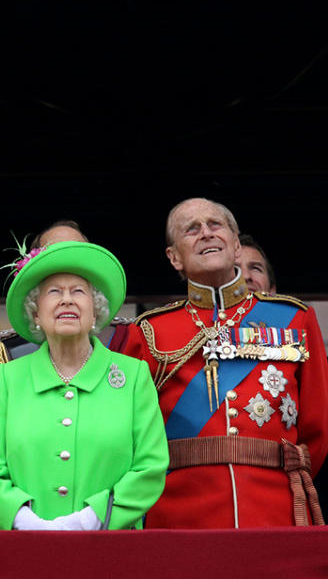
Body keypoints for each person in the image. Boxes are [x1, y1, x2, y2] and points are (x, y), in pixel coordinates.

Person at [123, 197, 328, 527]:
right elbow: (131, 437)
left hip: (272, 510)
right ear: (174, 258)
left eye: (215, 225)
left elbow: (317, 430)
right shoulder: (147, 331)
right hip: (178, 515)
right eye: (191, 229)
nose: (206, 233)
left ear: (235, 246)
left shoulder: (295, 320)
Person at [0, 220, 133, 530]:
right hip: (24, 539)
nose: (66, 297)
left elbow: (147, 463)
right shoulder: (8, 358)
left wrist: (96, 517)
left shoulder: (128, 350)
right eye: (53, 256)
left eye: (78, 288)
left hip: (109, 538)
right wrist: (13, 520)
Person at [0, 241, 168, 530]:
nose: (67, 300)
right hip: (26, 550)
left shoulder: (133, 376)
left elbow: (150, 468)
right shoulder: (10, 379)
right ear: (36, 314)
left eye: (78, 291)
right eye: (54, 292)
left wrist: (90, 519)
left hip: (110, 549)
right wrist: (27, 522)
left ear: (96, 311)